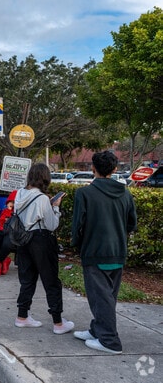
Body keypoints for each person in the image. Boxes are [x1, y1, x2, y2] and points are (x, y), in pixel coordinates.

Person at [71, 151, 137, 354]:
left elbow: (77, 227)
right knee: (107, 296)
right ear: (115, 169)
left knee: (101, 297)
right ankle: (97, 330)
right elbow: (131, 224)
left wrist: (79, 246)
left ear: (93, 168)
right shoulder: (126, 193)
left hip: (95, 252)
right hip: (117, 251)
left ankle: (110, 341)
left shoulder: (84, 193)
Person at [13, 163, 74, 335]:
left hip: (24, 240)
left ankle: (22, 316)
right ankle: (58, 322)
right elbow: (52, 225)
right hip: (41, 240)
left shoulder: (20, 193)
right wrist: (55, 207)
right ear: (45, 178)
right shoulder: (41, 198)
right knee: (51, 281)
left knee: (27, 279)